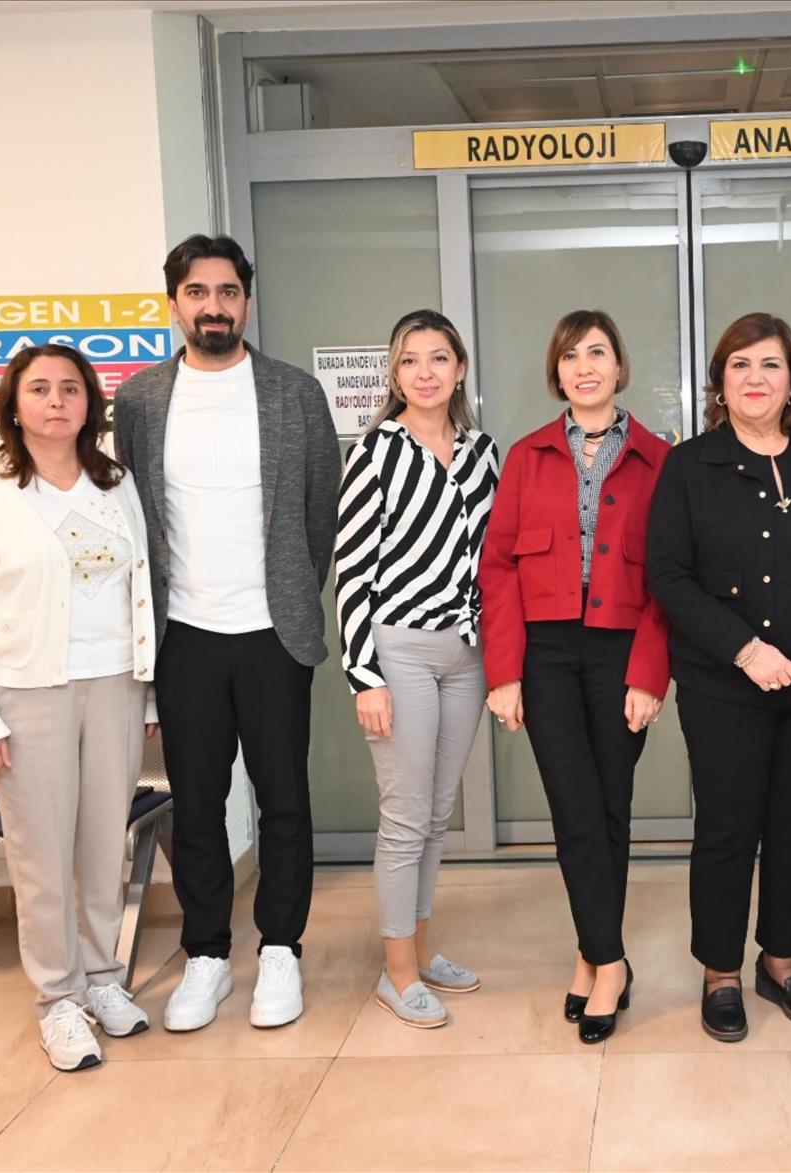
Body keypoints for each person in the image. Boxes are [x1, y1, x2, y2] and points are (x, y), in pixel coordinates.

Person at [113, 234, 340, 1033]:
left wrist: (290, 595)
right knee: (198, 803)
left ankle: (280, 947)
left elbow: (320, 514)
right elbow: (131, 517)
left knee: (284, 799)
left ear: (246, 298)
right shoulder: (139, 400)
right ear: (175, 303)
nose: (214, 306)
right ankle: (207, 952)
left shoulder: (294, 393)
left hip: (274, 634)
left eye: (228, 292)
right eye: (198, 292)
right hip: (185, 636)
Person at [647, 312, 791, 1044]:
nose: (756, 378)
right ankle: (720, 972)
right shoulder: (690, 466)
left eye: (770, 365)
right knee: (727, 828)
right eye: (741, 365)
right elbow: (669, 575)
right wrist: (747, 650)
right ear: (720, 384)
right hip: (725, 684)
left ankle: (780, 962)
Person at [0, 344, 158, 1072]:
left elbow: (143, 590)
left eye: (70, 388)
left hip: (115, 685)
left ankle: (102, 977)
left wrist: (150, 687)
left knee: (103, 844)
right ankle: (58, 998)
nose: (56, 401)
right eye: (40, 389)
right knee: (42, 855)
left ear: (90, 403)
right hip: (27, 694)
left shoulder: (114, 482)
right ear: (14, 403)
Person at [479, 309, 670, 1045]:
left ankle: (594, 955)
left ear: (619, 366)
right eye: (570, 356)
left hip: (623, 650)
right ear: (556, 372)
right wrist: (504, 672)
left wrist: (649, 673)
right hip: (546, 651)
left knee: (611, 806)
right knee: (575, 806)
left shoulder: (659, 459)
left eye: (596, 353)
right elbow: (498, 568)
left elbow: (669, 579)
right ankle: (609, 958)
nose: (584, 367)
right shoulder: (527, 456)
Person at [337, 310, 499, 1029]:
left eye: (438, 358)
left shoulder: (483, 453)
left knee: (436, 813)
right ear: (395, 374)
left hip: (467, 654)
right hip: (398, 649)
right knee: (405, 819)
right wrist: (364, 675)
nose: (425, 372)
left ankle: (421, 951)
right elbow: (351, 568)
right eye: (410, 360)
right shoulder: (375, 452)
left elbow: (493, 558)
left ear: (459, 369)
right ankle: (396, 973)